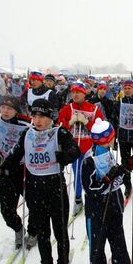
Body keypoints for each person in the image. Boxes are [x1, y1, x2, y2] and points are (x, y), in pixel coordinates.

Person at [0, 99, 81, 264]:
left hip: (55, 187)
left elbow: (74, 150)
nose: (37, 120)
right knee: (42, 233)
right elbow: (14, 155)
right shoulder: (26, 134)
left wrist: (65, 156)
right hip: (35, 189)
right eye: (34, 116)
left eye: (42, 116)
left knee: (60, 233)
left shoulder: (58, 132)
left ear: (50, 117)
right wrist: (2, 168)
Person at [81, 119, 133, 264]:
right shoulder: (90, 159)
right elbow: (90, 188)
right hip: (96, 208)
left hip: (113, 204)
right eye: (110, 137)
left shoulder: (108, 152)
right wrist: (107, 179)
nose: (112, 140)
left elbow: (115, 176)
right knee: (96, 244)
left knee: (118, 240)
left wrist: (124, 170)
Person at [0, 95, 36, 248]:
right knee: (6, 209)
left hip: (24, 167)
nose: (6, 111)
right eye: (3, 108)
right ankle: (18, 228)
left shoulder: (26, 122)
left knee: (33, 203)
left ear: (16, 110)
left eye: (10, 108)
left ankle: (33, 231)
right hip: (5, 167)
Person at [57, 81, 105, 215]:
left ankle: (92, 197)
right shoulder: (67, 108)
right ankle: (78, 199)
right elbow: (59, 128)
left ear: (84, 93)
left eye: (78, 92)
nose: (75, 94)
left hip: (90, 148)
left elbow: (100, 129)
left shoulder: (93, 109)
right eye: (73, 92)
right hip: (73, 149)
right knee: (77, 175)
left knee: (91, 175)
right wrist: (69, 122)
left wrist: (87, 122)